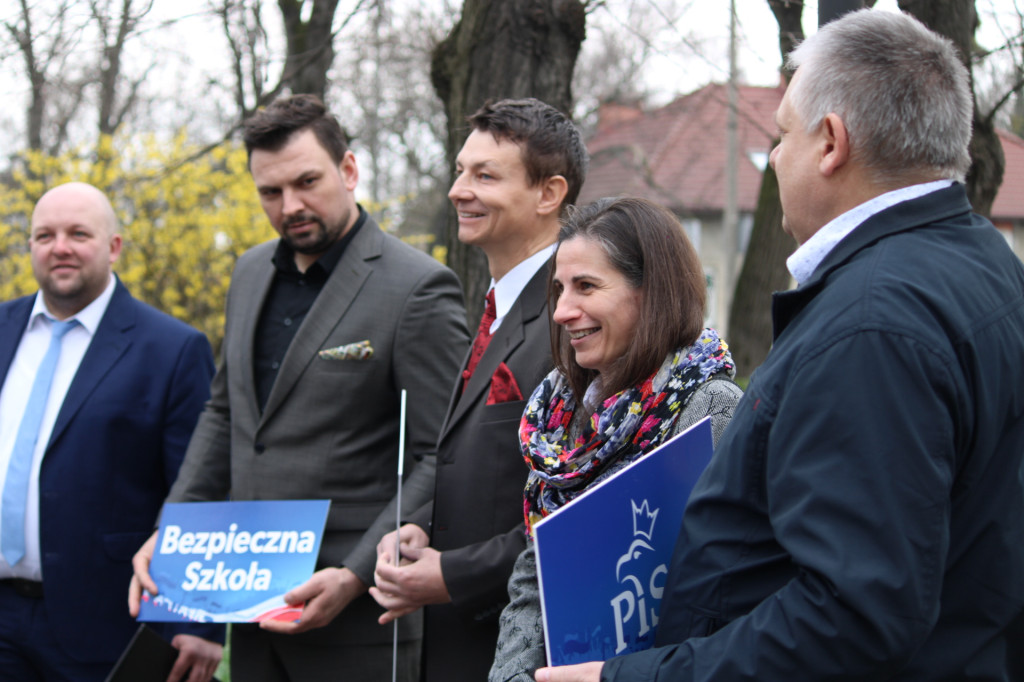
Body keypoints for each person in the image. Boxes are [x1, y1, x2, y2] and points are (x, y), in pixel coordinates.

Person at [537, 10, 1024, 682]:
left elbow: (851, 616)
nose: (773, 158)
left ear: (830, 143)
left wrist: (628, 678)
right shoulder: (984, 265)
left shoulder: (873, 322)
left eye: (781, 137)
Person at [129, 95, 469, 682]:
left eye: (307, 181)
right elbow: (224, 414)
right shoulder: (248, 272)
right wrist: (173, 529)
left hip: (359, 619)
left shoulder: (417, 288)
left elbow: (442, 454)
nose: (291, 206)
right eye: (270, 192)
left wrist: (359, 573)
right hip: (252, 607)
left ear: (350, 171)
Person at [369, 98, 587, 681]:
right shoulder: (498, 308)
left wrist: (453, 574)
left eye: (485, 175)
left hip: (522, 648)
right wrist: (421, 527)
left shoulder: (571, 321)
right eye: (461, 171)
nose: (458, 190)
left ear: (549, 193)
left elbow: (578, 506)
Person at [489, 196, 742, 682]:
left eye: (586, 286)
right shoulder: (562, 415)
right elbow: (536, 572)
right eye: (560, 289)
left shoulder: (713, 409)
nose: (562, 311)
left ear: (652, 293)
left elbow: (731, 591)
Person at [0, 182, 222, 681]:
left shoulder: (172, 349)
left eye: (79, 233)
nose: (60, 247)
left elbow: (203, 485)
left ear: (114, 247)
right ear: (30, 246)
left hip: (107, 622)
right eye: (45, 235)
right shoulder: (1, 330)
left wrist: (196, 620)